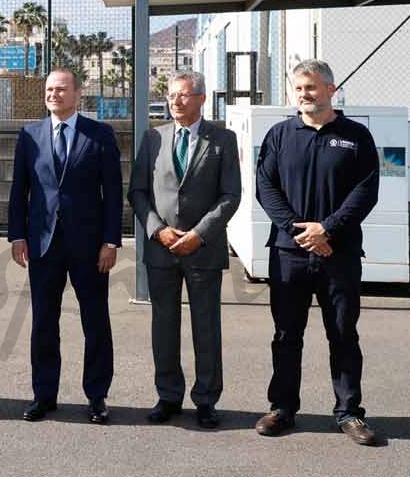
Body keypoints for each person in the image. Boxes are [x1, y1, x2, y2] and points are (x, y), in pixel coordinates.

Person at [254, 59, 380, 446]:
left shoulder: (356, 135)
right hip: (289, 254)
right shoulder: (279, 135)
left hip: (338, 254)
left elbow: (366, 190)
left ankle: (348, 412)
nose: (304, 95)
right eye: (298, 89)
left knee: (342, 332)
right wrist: (301, 232)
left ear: (331, 89)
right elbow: (266, 188)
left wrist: (327, 229)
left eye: (311, 87)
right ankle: (283, 408)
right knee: (286, 333)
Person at [8, 68, 122, 424]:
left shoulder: (100, 134)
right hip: (43, 244)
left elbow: (114, 193)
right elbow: (19, 191)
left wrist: (111, 241)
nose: (53, 94)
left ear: (77, 93)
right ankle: (43, 395)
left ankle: (98, 396)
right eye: (49, 89)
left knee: (95, 321)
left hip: (90, 246)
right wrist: (17, 235)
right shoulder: (30, 135)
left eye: (60, 89)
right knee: (43, 320)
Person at [128, 70, 241, 429]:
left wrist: (199, 234)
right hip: (162, 249)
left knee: (206, 326)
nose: (175, 101)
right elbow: (138, 192)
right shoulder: (152, 139)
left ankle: (206, 400)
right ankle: (168, 396)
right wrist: (157, 231)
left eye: (183, 95)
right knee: (164, 325)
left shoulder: (223, 139)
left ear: (202, 99)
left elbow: (230, 195)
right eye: (171, 95)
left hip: (202, 249)